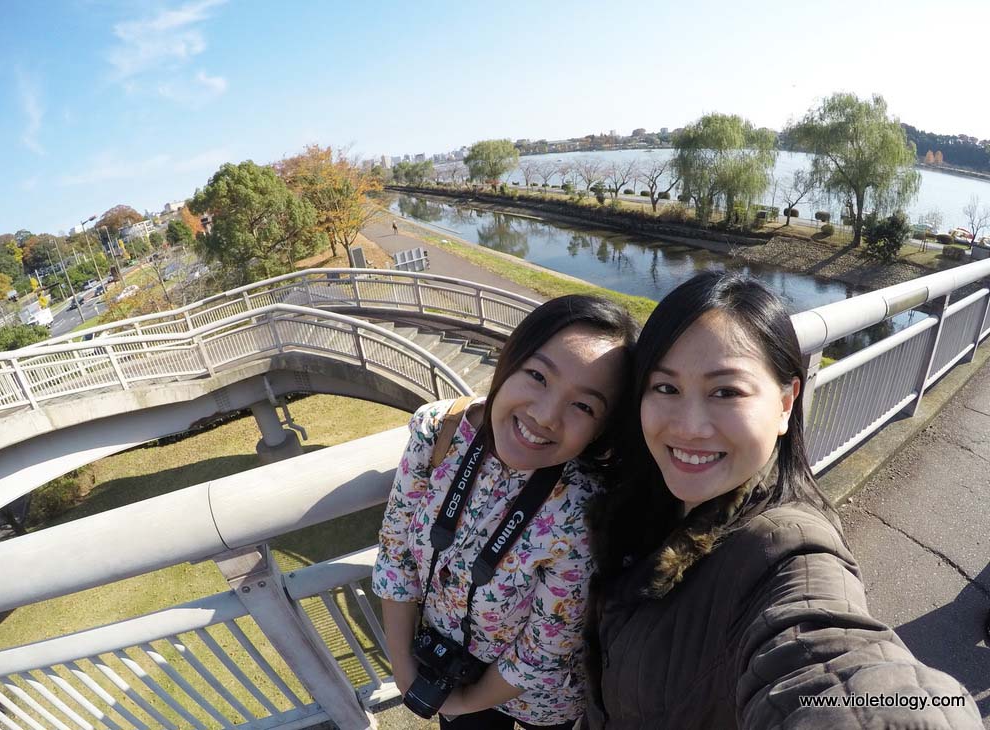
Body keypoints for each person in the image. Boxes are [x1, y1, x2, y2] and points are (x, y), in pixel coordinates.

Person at [582, 271, 981, 729]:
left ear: (787, 403)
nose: (689, 427)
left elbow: (831, 667)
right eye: (666, 388)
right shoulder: (646, 495)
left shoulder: (787, 548)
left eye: (726, 392)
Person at [374, 294, 637, 729]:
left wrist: (463, 704)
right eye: (538, 376)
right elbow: (395, 555)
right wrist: (407, 675)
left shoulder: (583, 507)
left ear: (600, 431)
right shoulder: (438, 432)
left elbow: (544, 648)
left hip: (540, 698)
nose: (545, 416)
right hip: (445, 668)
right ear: (509, 359)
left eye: (584, 406)